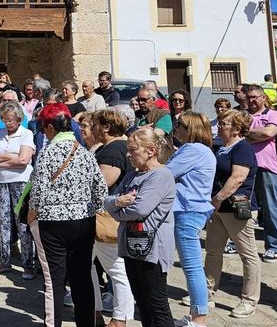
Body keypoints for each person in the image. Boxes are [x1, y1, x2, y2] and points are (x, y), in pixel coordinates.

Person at [28, 102, 107, 327]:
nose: (43, 132)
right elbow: (100, 189)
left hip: (52, 223)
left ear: (51, 128)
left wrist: (31, 216)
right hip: (83, 220)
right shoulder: (86, 154)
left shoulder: (47, 154)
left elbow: (38, 190)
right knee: (82, 278)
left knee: (55, 280)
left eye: (43, 128)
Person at [105, 127, 176, 327]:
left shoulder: (160, 176)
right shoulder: (131, 175)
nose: (128, 154)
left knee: (157, 305)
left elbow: (139, 209)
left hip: (152, 249)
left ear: (151, 150)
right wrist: (119, 202)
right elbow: (108, 200)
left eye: (133, 149)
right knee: (143, 304)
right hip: (131, 246)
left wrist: (117, 208)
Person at [204, 109, 261, 319]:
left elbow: (237, 178)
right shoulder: (222, 148)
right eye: (220, 121)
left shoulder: (243, 148)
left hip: (234, 208)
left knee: (248, 255)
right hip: (217, 209)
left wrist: (217, 199)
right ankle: (207, 293)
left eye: (225, 123)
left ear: (237, 129)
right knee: (213, 251)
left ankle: (249, 300)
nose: (220, 125)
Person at [169, 111, 218, 327]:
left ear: (190, 129)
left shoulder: (193, 150)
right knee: (192, 266)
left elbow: (166, 173)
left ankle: (199, 318)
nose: (175, 128)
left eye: (179, 124)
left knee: (192, 267)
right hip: (189, 210)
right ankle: (196, 314)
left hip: (188, 210)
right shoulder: (197, 150)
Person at [91, 108, 136, 327]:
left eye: (95, 124)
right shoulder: (114, 147)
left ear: (107, 127)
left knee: (117, 270)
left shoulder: (113, 150)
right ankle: (95, 312)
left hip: (106, 218)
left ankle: (120, 318)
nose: (92, 129)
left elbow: (102, 184)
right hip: (103, 217)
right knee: (86, 266)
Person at [0, 101, 36, 277]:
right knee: (3, 221)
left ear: (19, 119)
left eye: (11, 120)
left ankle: (28, 263)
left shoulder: (26, 134)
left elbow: (23, 160)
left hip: (20, 180)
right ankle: (4, 261)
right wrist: (9, 157)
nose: (7, 123)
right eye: (5, 119)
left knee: (21, 222)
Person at [243, 83, 277, 262]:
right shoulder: (243, 116)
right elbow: (234, 134)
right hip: (243, 166)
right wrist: (256, 135)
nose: (251, 100)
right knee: (242, 206)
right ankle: (241, 243)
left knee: (270, 207)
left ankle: (273, 245)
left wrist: (247, 133)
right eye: (249, 97)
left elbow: (269, 132)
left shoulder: (274, 114)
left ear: (263, 98)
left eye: (254, 97)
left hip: (267, 167)